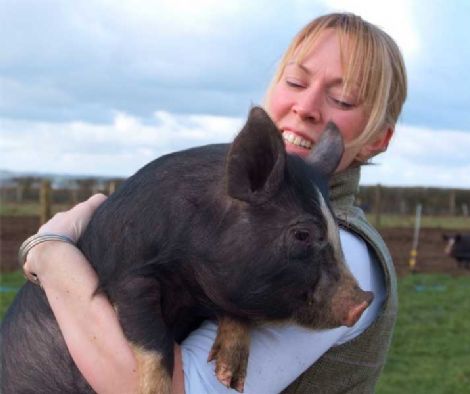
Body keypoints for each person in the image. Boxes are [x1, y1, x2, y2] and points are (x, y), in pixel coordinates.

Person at [22, 12, 407, 394]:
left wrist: (51, 257)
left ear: (379, 140)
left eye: (343, 98)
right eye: (295, 81)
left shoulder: (340, 254)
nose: (306, 106)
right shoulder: (237, 218)